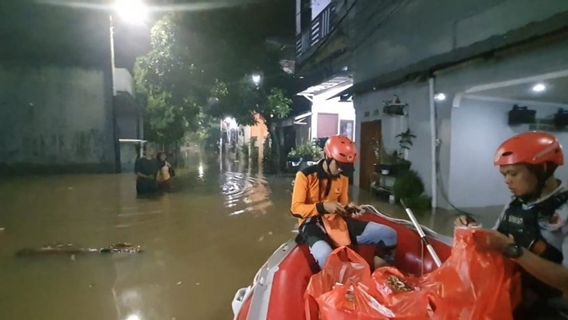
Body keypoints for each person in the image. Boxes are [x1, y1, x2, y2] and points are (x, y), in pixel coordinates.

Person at [455, 131, 568, 318]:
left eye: (513, 173)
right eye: (504, 174)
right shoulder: (516, 204)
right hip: (511, 301)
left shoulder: (564, 212)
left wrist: (512, 249)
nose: (507, 180)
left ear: (543, 168)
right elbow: (497, 240)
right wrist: (474, 231)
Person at [291, 135, 398, 269]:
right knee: (325, 255)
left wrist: (349, 208)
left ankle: (380, 278)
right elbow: (296, 209)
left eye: (346, 166)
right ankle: (336, 287)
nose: (342, 169)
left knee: (388, 234)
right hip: (311, 224)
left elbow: (343, 203)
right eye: (339, 165)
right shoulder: (305, 175)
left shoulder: (342, 176)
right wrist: (323, 207)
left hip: (337, 222)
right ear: (327, 156)